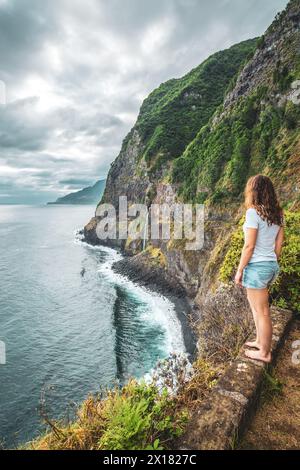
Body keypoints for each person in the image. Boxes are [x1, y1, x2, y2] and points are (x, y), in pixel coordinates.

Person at [235, 175, 284, 363]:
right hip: (270, 265)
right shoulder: (278, 213)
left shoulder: (253, 213)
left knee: (262, 311)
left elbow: (249, 246)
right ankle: (258, 341)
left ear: (253, 191)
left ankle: (264, 353)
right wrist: (272, 262)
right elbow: (279, 243)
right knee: (256, 308)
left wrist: (240, 270)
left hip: (257, 267)